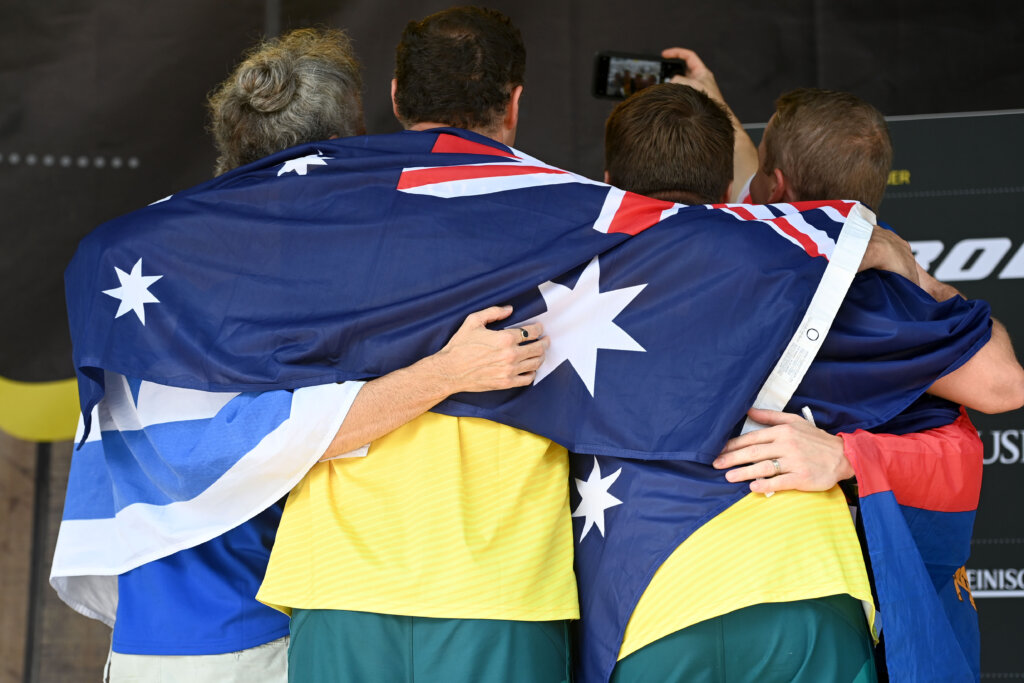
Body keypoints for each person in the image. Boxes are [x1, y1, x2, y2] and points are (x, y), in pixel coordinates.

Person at [52, 28, 548, 683]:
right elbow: (298, 432)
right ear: (345, 142)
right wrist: (450, 372)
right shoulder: (300, 278)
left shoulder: (130, 258)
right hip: (249, 640)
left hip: (142, 640)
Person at [600, 79, 1021, 681]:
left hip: (647, 594)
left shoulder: (583, 279)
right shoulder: (878, 300)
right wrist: (917, 276)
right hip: (811, 593)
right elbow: (1004, 384)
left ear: (773, 187)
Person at [255, 10, 579, 682]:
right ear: (514, 103)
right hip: (502, 587)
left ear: (398, 94)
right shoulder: (585, 216)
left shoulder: (311, 217)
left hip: (338, 581)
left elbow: (280, 416)